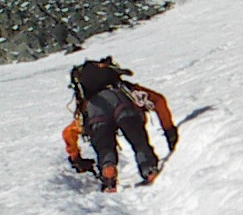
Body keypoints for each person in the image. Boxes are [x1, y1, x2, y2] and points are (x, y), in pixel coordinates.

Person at [62, 58, 176, 192]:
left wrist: (76, 158)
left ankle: (109, 175)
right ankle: (148, 169)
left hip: (96, 111)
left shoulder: (86, 104)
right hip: (122, 102)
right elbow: (159, 100)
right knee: (138, 140)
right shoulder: (124, 88)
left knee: (105, 148)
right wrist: (170, 133)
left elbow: (68, 133)